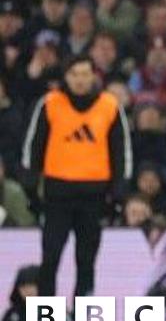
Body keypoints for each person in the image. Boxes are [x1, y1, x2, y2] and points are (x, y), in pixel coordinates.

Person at [20, 56, 131, 303]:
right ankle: (48, 319)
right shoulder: (50, 103)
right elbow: (34, 148)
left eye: (85, 74)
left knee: (86, 260)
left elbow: (121, 154)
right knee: (50, 258)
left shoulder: (109, 106)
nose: (80, 80)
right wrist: (30, 188)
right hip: (57, 196)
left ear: (93, 76)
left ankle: (81, 317)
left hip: (94, 197)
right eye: (74, 74)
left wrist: (119, 193)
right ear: (66, 77)